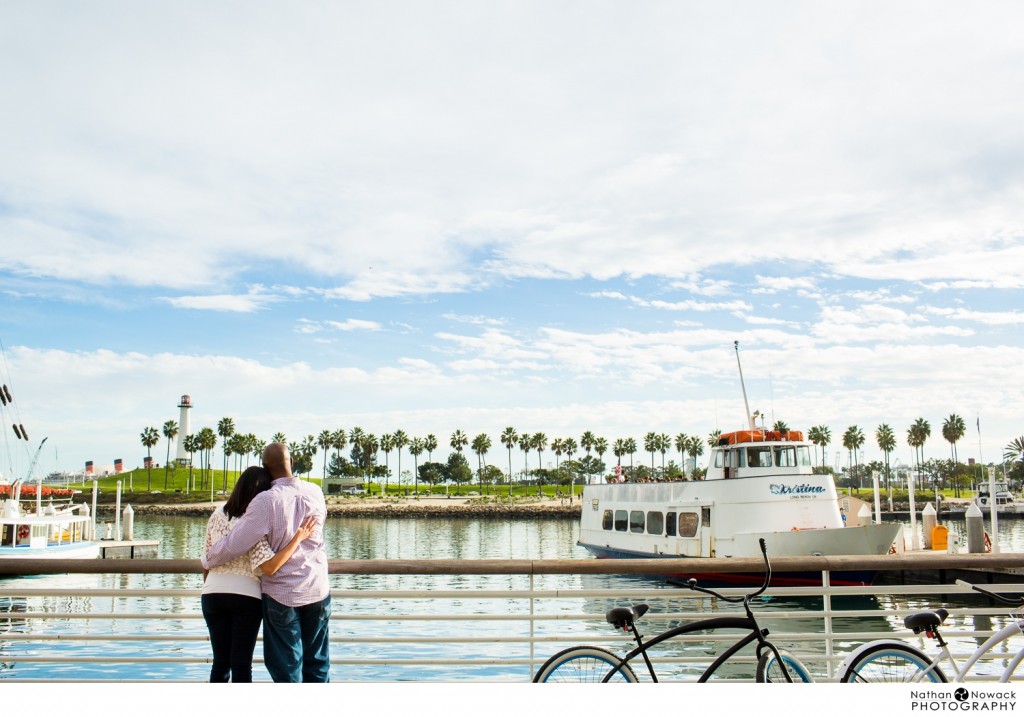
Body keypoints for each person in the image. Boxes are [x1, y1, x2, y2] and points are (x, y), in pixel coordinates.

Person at [202, 442, 330, 682]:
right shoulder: (316, 492)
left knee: (287, 670)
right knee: (317, 665)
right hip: (317, 588)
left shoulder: (265, 501)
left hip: (282, 593)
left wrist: (208, 559)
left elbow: (234, 544)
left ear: (265, 467)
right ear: (291, 462)